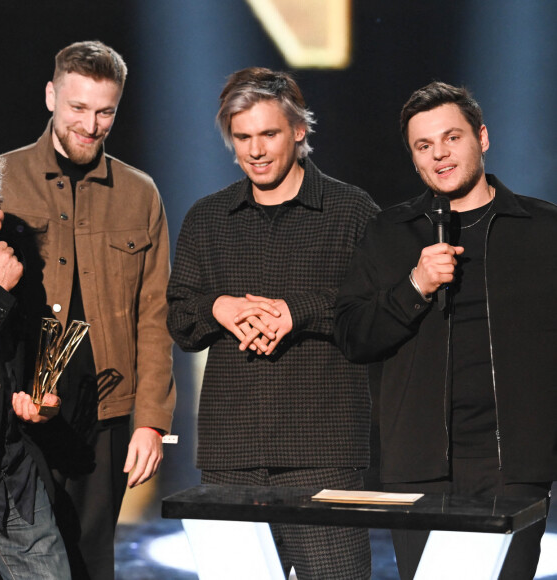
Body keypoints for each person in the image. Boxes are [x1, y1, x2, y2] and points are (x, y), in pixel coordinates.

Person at [335, 81, 557, 579]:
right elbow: (352, 335)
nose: (439, 154)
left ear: (481, 137)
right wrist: (414, 286)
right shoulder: (390, 234)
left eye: (451, 138)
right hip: (417, 465)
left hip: (514, 467)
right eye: (423, 146)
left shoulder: (543, 230)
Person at [167, 67, 378, 579]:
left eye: (269, 134)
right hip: (230, 457)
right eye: (242, 137)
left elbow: (375, 312)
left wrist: (297, 311)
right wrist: (216, 306)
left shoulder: (351, 212)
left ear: (299, 130)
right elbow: (179, 316)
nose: (255, 150)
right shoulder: (208, 218)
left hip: (324, 454)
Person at [0, 41, 175, 580]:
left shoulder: (139, 193)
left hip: (105, 411)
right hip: (18, 409)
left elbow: (154, 314)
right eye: (78, 108)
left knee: (92, 558)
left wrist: (150, 421)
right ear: (51, 96)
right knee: (21, 559)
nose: (91, 125)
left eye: (105, 112)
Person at [0, 154, 72, 579]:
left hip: (10, 472)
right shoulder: (0, 280)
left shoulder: (9, 268)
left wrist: (35, 401)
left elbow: (16, 363)